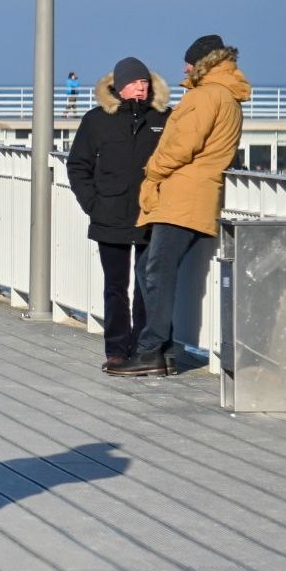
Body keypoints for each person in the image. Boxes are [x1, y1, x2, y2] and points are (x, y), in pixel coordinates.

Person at [107, 35, 249, 377]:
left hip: (184, 195)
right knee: (150, 271)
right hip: (196, 194)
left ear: (203, 62)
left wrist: (152, 170)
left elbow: (183, 144)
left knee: (155, 271)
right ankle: (166, 350)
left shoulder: (205, 96)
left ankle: (151, 350)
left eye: (188, 63)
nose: (183, 69)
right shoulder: (226, 95)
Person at [66, 57, 168, 370]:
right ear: (120, 85)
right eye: (136, 81)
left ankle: (143, 348)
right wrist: (93, 204)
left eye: (145, 81)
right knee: (115, 286)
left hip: (150, 213)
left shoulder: (164, 118)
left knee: (147, 285)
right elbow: (78, 165)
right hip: (109, 214)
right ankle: (116, 349)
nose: (143, 85)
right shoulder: (97, 119)